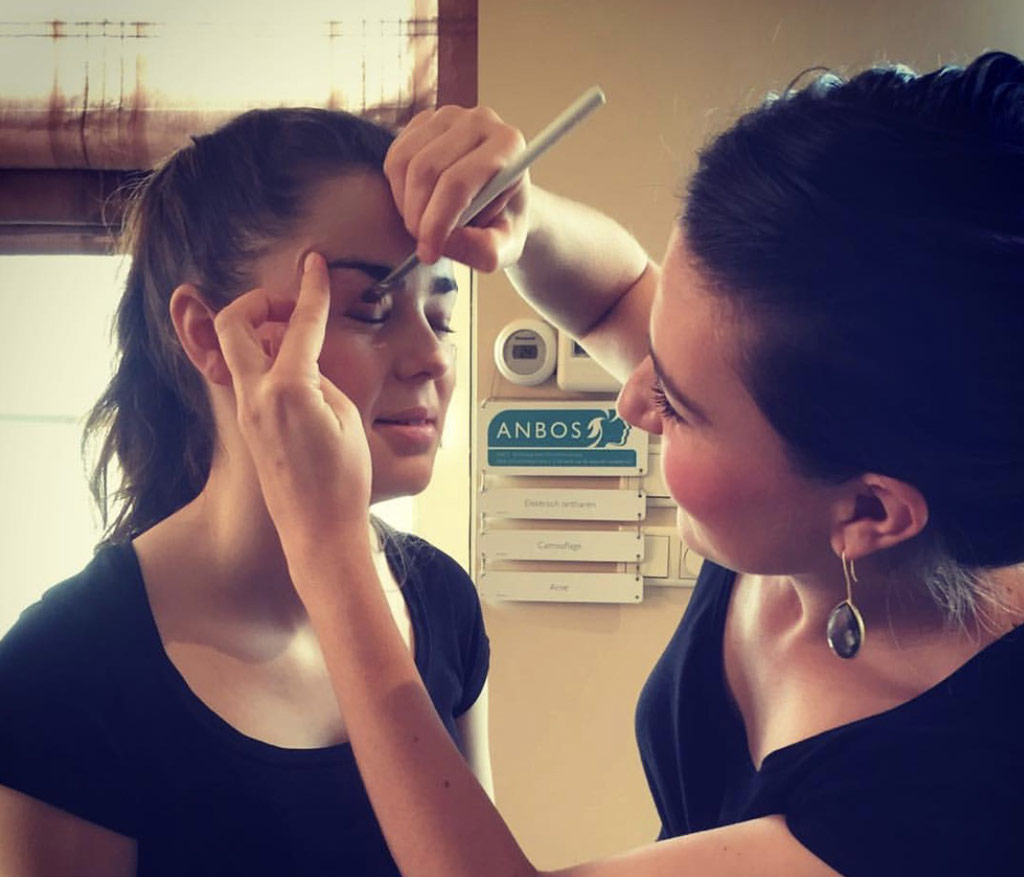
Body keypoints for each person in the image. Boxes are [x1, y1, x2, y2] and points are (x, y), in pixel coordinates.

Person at [211, 50, 1024, 876]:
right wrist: (524, 221)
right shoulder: (817, 439)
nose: (632, 398)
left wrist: (328, 546)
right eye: (657, 349)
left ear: (869, 512)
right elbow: (616, 296)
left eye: (679, 405)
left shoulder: (962, 796)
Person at [0, 107, 492, 875]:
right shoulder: (63, 670)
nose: (432, 356)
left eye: (441, 314)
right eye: (370, 306)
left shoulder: (443, 601)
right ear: (207, 333)